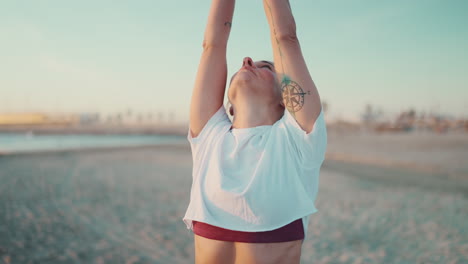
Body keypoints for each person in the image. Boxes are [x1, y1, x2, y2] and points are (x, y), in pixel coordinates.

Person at [182, 0, 327, 263]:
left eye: (266, 67)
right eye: (249, 63)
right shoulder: (210, 139)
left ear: (285, 97)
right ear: (230, 105)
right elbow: (212, 45)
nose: (247, 61)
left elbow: (285, 38)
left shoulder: (297, 142)